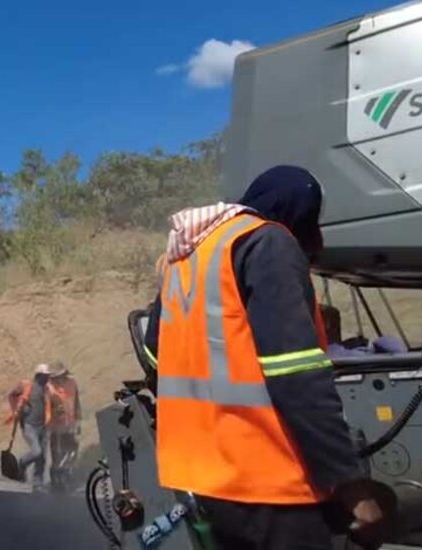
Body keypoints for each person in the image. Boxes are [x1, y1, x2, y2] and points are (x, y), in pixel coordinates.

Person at [143, 165, 388, 549]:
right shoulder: (267, 242)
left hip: (201, 480)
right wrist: (353, 487)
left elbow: (154, 356)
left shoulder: (182, 258)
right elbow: (296, 374)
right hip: (269, 482)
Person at [6, 361, 81, 492]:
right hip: (39, 426)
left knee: (47, 457)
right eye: (46, 376)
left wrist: (75, 420)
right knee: (40, 452)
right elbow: (13, 395)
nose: (48, 378)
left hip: (52, 426)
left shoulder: (57, 386)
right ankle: (23, 465)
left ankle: (39, 483)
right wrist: (17, 410)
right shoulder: (33, 386)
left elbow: (70, 404)